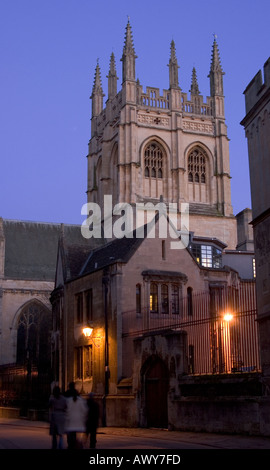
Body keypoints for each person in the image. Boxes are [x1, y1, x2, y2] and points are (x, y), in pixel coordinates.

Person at [65, 383, 87, 449]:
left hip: (70, 418)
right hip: (78, 419)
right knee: (74, 433)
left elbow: (66, 408)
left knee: (70, 433)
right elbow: (84, 409)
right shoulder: (79, 399)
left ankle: (70, 444)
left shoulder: (67, 398)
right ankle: (75, 444)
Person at [49, 385, 67, 449]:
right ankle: (61, 444)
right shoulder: (63, 398)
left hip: (54, 415)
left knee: (54, 434)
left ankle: (54, 445)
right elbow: (66, 407)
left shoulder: (52, 398)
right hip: (62, 415)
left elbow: (49, 406)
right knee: (60, 433)